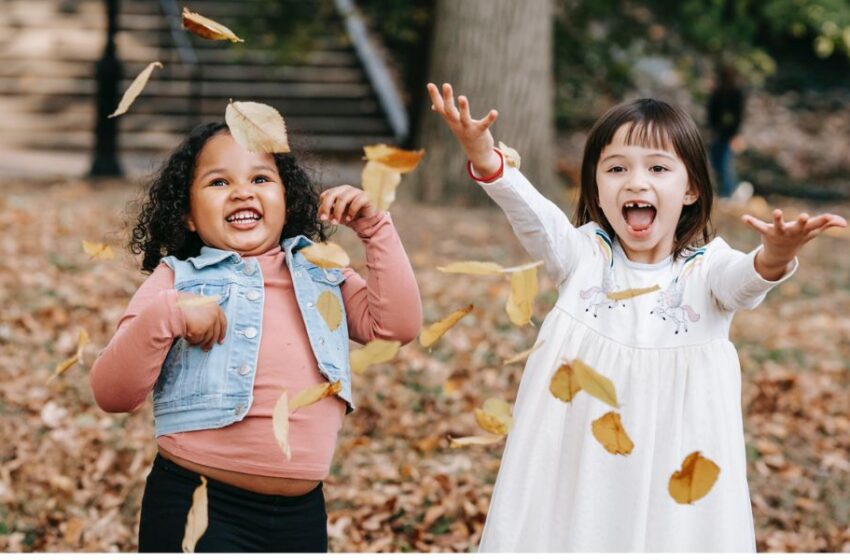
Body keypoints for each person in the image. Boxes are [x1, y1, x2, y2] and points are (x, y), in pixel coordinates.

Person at [427, 82, 845, 552]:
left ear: (689, 189)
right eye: (617, 168)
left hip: (675, 467)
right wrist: (485, 157)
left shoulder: (706, 271)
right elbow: (530, 213)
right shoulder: (581, 255)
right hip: (580, 466)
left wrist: (776, 254)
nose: (636, 181)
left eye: (658, 168)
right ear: (597, 188)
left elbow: (745, 280)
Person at [89, 122, 422, 552]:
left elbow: (394, 328)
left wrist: (375, 229)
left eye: (261, 178)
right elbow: (112, 393)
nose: (243, 191)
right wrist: (168, 314)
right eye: (218, 181)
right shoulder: (178, 280)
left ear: (287, 199)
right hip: (198, 502)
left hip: (301, 517)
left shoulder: (322, 270)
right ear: (188, 214)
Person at [707, 65, 746, 198]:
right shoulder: (718, 93)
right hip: (719, 132)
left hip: (728, 134)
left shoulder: (736, 93)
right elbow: (712, 112)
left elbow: (738, 116)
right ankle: (724, 191)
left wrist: (735, 135)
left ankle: (728, 193)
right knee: (717, 162)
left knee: (725, 163)